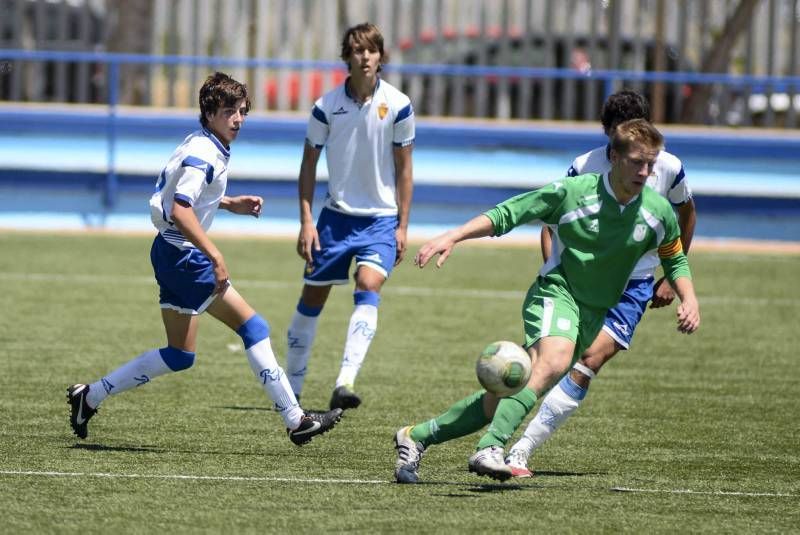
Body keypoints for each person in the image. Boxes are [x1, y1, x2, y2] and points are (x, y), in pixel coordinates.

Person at [394, 119, 700, 483]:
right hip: (556, 292)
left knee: (504, 393)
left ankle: (416, 437)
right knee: (553, 362)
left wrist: (688, 297)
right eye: (637, 162)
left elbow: (674, 256)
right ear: (614, 157)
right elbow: (510, 213)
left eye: (650, 164)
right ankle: (490, 448)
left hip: (592, 314)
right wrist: (455, 236)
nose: (645, 172)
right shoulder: (573, 192)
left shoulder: (658, 211)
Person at [67, 72, 342, 446]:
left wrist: (230, 203)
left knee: (180, 355)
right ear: (209, 112)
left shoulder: (201, 142)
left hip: (167, 251)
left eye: (242, 111)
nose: (238, 118)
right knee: (254, 328)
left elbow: (187, 196)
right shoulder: (205, 153)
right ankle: (296, 420)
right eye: (229, 110)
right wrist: (214, 254)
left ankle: (90, 396)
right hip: (184, 255)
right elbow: (181, 209)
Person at [505, 90, 697, 477]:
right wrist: (556, 273)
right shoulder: (585, 165)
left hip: (634, 283)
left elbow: (686, 213)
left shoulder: (669, 166)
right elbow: (551, 219)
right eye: (616, 138)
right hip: (578, 278)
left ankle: (521, 449)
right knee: (551, 363)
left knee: (589, 360)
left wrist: (672, 279)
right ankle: (496, 429)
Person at [284, 23, 415, 411]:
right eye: (358, 50)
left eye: (372, 50)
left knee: (368, 284)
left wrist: (403, 225)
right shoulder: (325, 107)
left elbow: (405, 170)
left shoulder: (399, 104)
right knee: (313, 297)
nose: (365, 57)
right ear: (348, 57)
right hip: (335, 219)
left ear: (380, 56)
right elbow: (308, 165)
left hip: (380, 221)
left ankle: (345, 381)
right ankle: (290, 389)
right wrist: (307, 220)